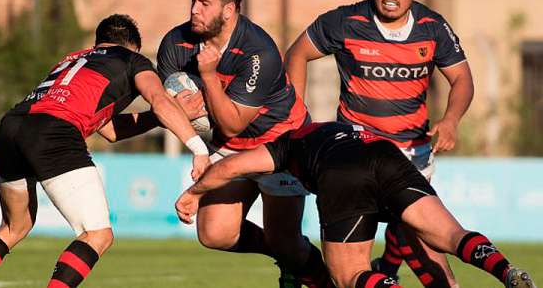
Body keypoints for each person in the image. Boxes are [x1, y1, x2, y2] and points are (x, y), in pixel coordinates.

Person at [0, 14, 210, 288]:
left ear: (99, 42)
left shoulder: (72, 58)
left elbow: (110, 131)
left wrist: (161, 116)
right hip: (54, 131)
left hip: (12, 127)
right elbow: (159, 100)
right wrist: (197, 146)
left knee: (13, 227)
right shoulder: (133, 60)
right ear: (132, 46)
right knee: (97, 235)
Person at [284, 0, 474, 286]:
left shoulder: (433, 27)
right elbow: (297, 52)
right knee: (349, 271)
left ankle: (386, 267)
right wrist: (298, 122)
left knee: (432, 263)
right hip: (355, 159)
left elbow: (462, 79)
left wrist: (451, 119)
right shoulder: (345, 21)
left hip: (411, 156)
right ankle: (366, 268)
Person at [175, 121, 537, 288]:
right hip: (386, 154)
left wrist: (194, 192)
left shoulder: (286, 144)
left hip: (341, 172)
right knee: (452, 235)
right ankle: (506, 271)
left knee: (348, 276)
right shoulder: (333, 126)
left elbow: (231, 166)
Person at [157, 0, 332, 288]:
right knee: (214, 234)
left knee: (286, 239)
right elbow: (167, 105)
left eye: (204, 4)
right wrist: (192, 136)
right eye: (193, 1)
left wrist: (207, 76)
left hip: (279, 142)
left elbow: (233, 123)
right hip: (227, 147)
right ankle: (291, 258)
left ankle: (316, 273)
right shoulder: (176, 44)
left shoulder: (258, 51)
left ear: (229, 9)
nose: (194, 10)